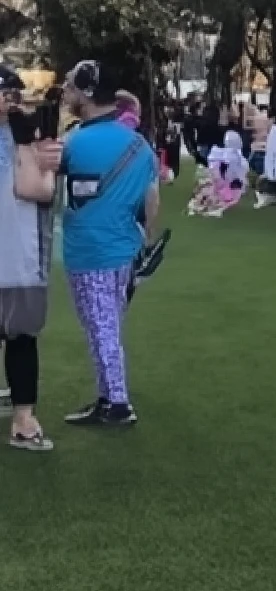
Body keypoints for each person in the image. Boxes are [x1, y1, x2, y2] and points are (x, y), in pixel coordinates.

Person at [60, 60, 160, 427]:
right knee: (106, 323)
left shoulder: (74, 142)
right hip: (123, 250)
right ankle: (108, 398)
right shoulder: (138, 144)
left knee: (101, 327)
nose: (65, 92)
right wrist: (146, 242)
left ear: (86, 94)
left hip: (90, 250)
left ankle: (118, 402)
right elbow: (151, 202)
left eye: (70, 86)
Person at [0, 67, 63, 451]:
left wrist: (40, 151)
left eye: (12, 92)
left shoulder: (32, 137)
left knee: (22, 336)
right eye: (3, 92)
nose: (10, 98)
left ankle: (24, 418)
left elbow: (39, 191)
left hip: (21, 252)